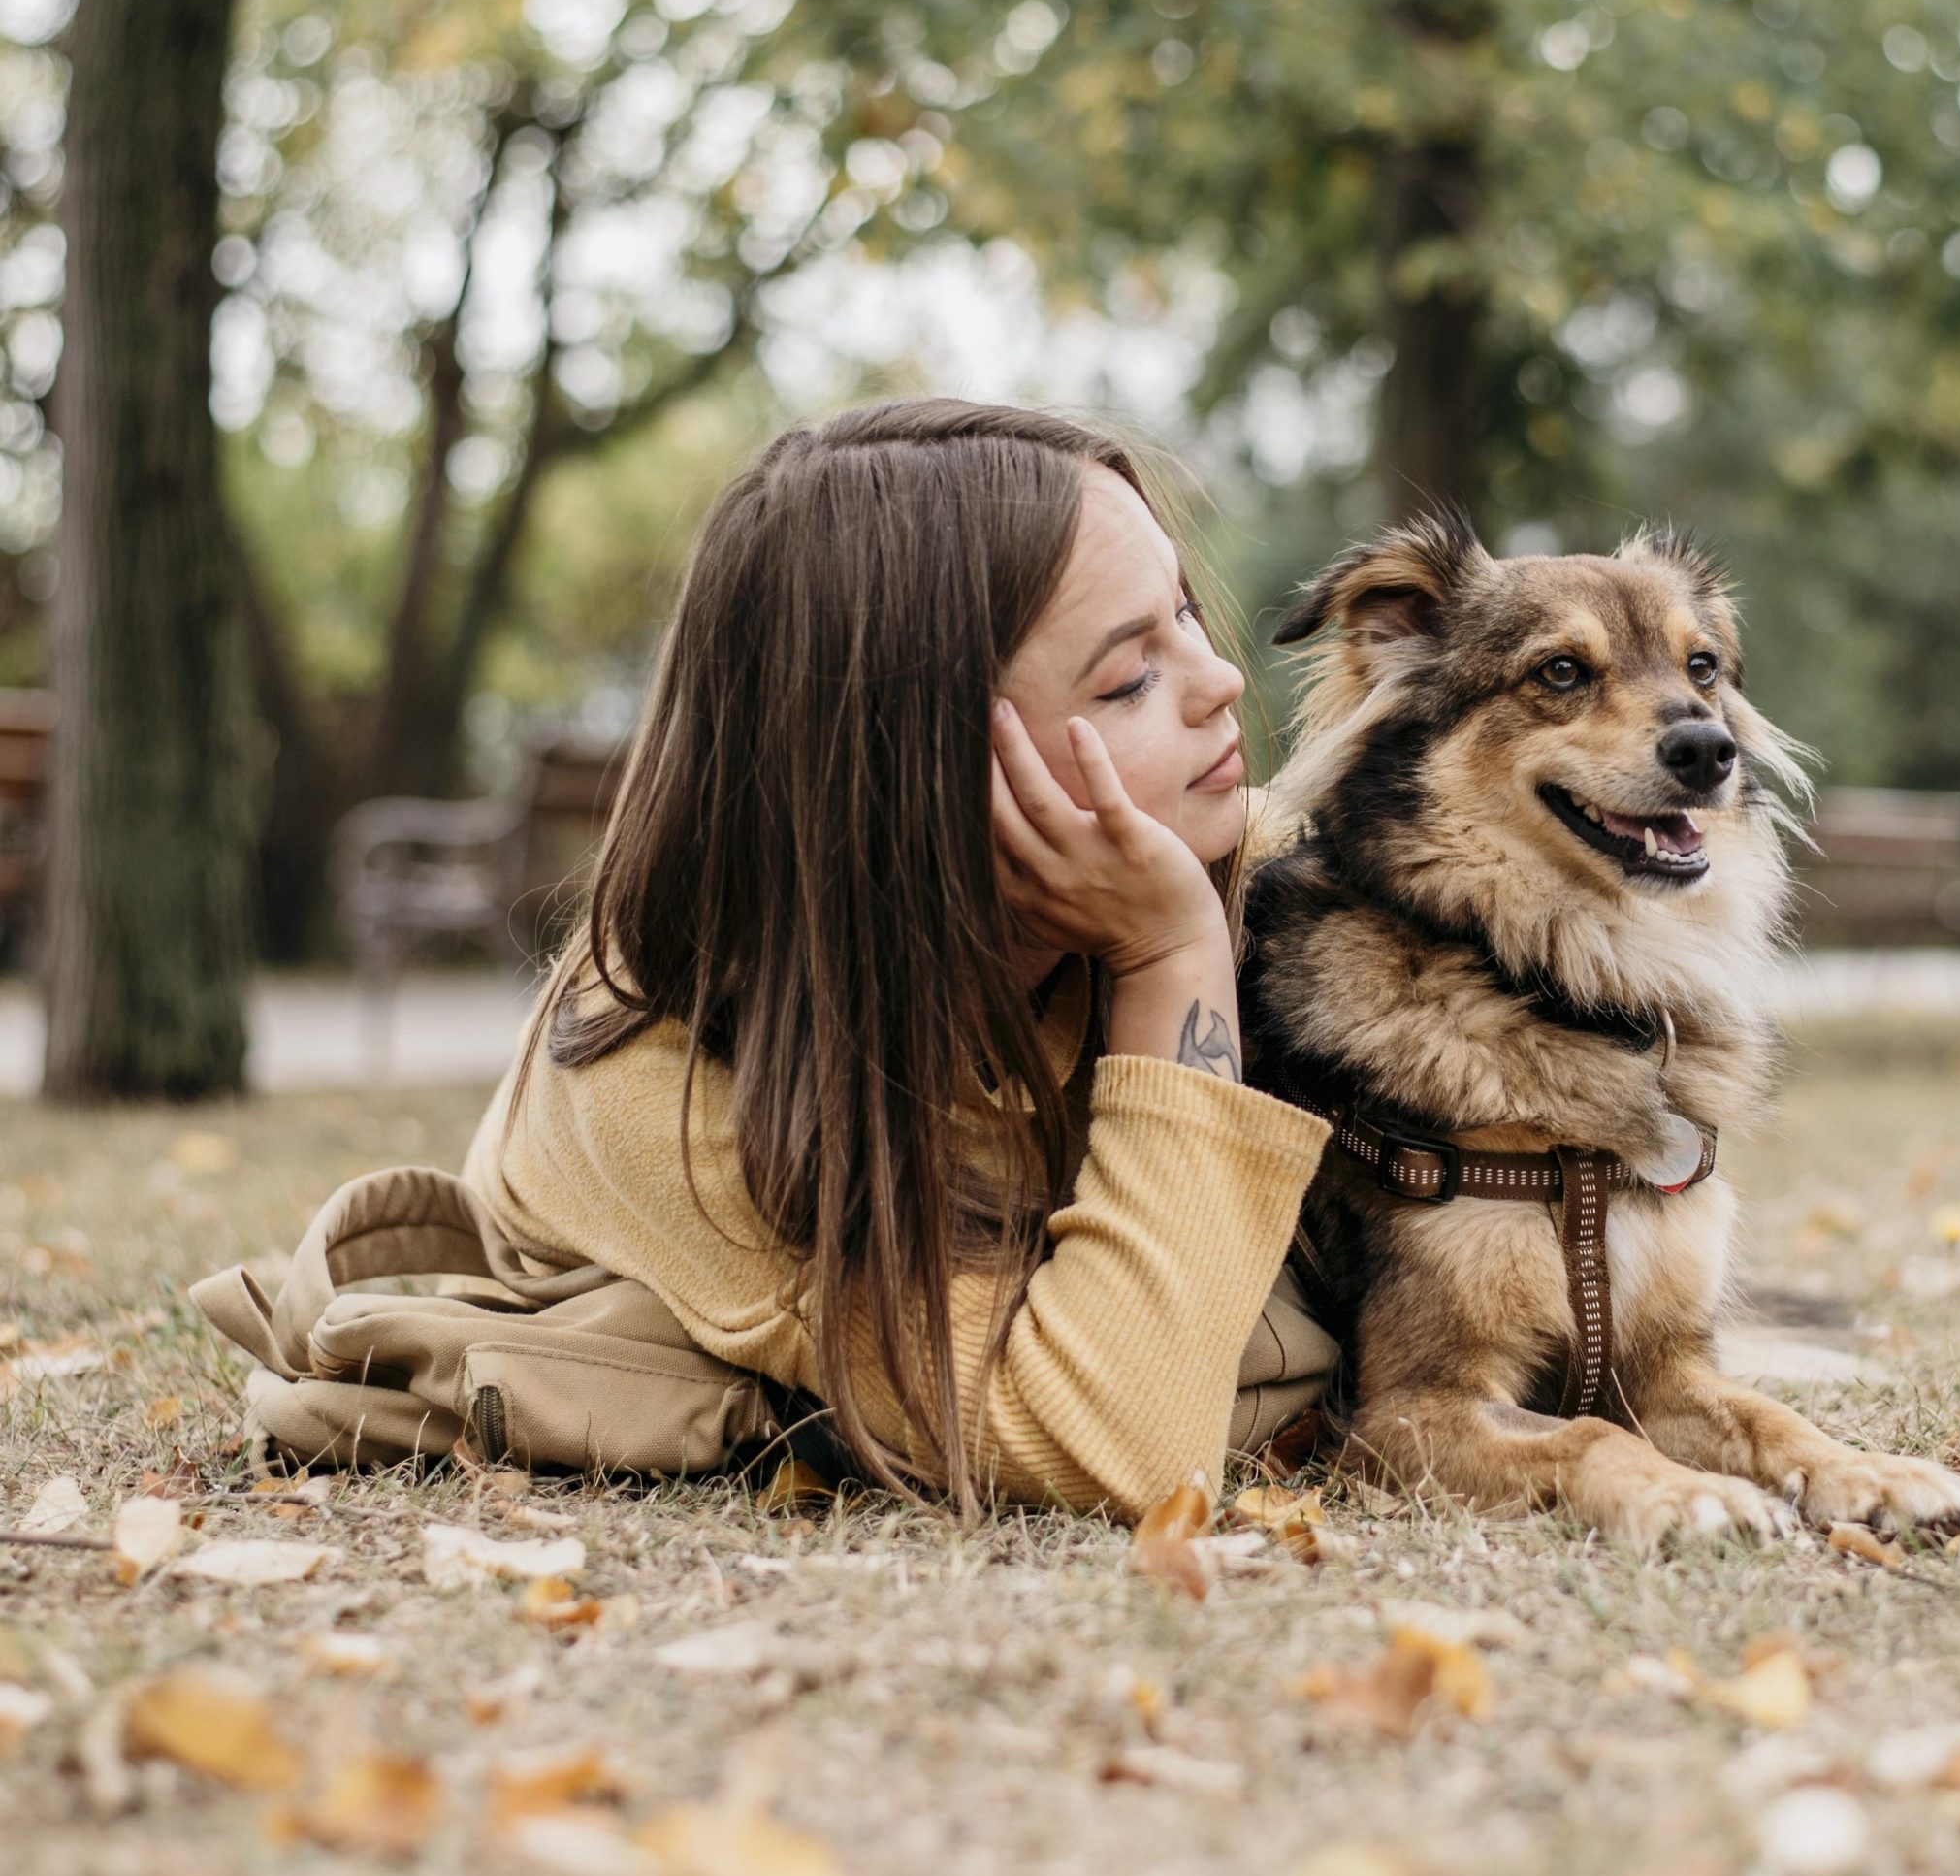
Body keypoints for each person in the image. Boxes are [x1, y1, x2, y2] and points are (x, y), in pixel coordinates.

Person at [463, 399, 1336, 1517]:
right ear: (914, 775)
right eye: (1128, 680)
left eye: (1183, 612)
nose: (1219, 679)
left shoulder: (1227, 853)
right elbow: (1120, 1438)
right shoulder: (678, 1098)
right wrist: (1171, 957)